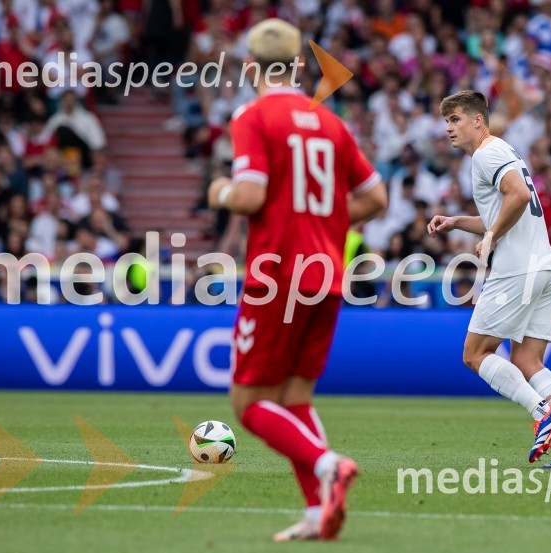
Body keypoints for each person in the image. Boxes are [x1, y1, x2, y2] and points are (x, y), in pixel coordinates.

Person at [206, 19, 388, 542]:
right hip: (326, 273)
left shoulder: (253, 115)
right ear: (300, 66)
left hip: (277, 272)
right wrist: (326, 221)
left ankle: (329, 465)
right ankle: (316, 512)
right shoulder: (329, 121)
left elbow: (250, 196)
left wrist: (220, 191)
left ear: (249, 67)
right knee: (295, 397)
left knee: (247, 404)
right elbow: (376, 198)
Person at [427, 90, 551, 468]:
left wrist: (491, 236)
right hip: (544, 265)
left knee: (474, 354)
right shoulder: (501, 152)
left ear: (478, 120)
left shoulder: (487, 153)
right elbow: (508, 208)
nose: (449, 128)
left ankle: (543, 412)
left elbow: (516, 195)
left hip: (517, 268)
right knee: (527, 359)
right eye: (446, 121)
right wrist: (458, 222)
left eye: (455, 119)